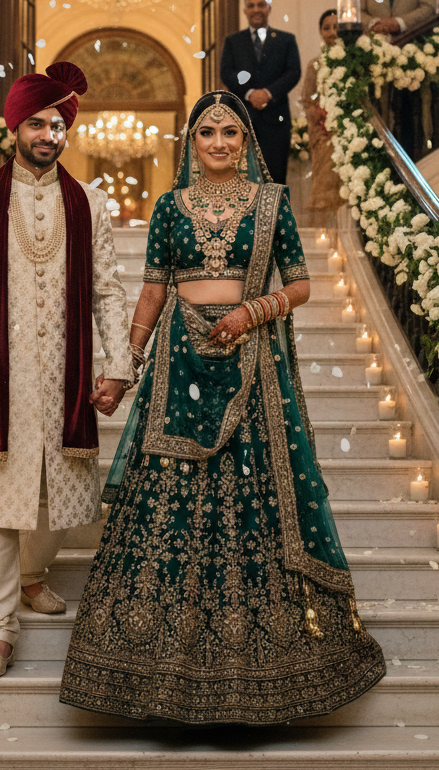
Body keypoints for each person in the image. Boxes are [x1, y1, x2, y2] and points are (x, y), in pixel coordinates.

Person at [60, 91, 385, 724]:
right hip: (179, 359)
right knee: (167, 498)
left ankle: (271, 666)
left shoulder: (272, 202)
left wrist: (251, 312)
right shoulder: (169, 206)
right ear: (192, 142)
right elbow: (153, 290)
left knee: (259, 491)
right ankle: (146, 669)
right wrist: (124, 366)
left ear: (245, 142)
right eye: (206, 132)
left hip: (252, 360)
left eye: (229, 132)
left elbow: (300, 283)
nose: (218, 142)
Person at [0, 61, 135, 679]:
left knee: (58, 492)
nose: (49, 135)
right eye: (38, 124)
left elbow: (108, 290)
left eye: (58, 126)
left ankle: (31, 573)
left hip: (64, 373)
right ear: (15, 127)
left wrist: (118, 364)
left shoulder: (91, 203)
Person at [359, 0, 437, 156]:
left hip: (412, 58)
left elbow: (429, 8)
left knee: (410, 120)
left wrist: (399, 23)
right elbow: (358, 12)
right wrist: (375, 24)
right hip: (377, 59)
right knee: (379, 117)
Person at [219, 0, 301, 185]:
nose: (256, 9)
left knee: (274, 180)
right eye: (251, 5)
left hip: (276, 122)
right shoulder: (233, 41)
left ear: (269, 8)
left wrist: (267, 93)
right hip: (241, 121)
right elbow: (226, 72)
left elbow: (293, 72)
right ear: (245, 11)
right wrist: (249, 93)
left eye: (261, 5)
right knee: (240, 180)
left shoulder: (286, 40)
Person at [301, 9, 342, 218]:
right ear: (320, 32)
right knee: (324, 189)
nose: (332, 32)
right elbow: (307, 101)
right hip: (323, 134)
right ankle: (327, 235)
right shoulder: (314, 65)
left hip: (346, 134)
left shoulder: (352, 62)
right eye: (327, 28)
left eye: (336, 27)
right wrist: (321, 113)